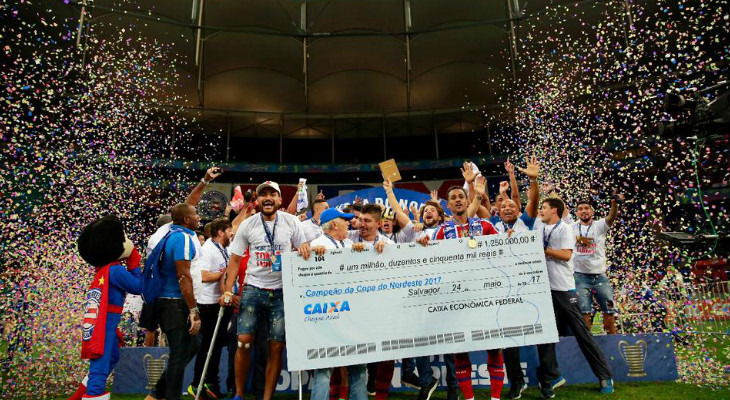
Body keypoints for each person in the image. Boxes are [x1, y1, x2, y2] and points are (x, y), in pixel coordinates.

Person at [218, 181, 311, 400]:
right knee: (243, 341)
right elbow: (234, 259)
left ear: (280, 200)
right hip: (253, 288)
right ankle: (239, 395)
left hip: (281, 292)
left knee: (276, 347)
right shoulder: (248, 224)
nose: (267, 198)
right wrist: (229, 290)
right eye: (263, 195)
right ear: (258, 201)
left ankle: (267, 397)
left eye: (272, 194)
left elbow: (302, 248)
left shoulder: (291, 222)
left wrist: (305, 247)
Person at [490, 156, 565, 400]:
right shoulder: (493, 228)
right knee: (510, 339)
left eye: (512, 206)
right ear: (498, 212)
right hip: (507, 291)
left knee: (544, 336)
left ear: (518, 210)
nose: (508, 208)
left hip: (534, 287)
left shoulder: (526, 222)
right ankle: (516, 383)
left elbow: (532, 201)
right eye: (504, 207)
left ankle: (546, 380)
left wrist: (532, 180)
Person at [431, 179, 505, 400]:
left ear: (467, 200)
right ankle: (469, 398)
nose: (457, 201)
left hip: (486, 295)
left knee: (494, 347)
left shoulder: (484, 226)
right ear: (448, 206)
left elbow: (503, 250)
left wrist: (511, 241)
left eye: (461, 196)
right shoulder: (441, 232)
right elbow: (433, 262)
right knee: (461, 350)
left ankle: (495, 398)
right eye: (453, 198)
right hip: (457, 299)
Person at [535, 198, 614, 395]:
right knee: (546, 335)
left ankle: (605, 376)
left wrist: (543, 250)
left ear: (554, 211)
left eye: (543, 208)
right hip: (546, 289)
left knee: (582, 333)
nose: (540, 211)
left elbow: (566, 255)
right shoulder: (540, 226)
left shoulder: (565, 229)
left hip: (564, 289)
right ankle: (553, 376)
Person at [67, 215, 144, 400]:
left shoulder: (103, 269)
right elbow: (138, 287)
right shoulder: (114, 269)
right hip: (105, 327)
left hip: (106, 323)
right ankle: (93, 395)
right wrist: (134, 264)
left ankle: (77, 397)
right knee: (99, 367)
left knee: (111, 358)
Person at [145, 203, 204, 400]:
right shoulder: (183, 238)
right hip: (174, 303)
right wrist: (193, 310)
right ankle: (168, 396)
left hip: (165, 301)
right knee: (179, 355)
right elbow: (183, 276)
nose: (199, 217)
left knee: (192, 345)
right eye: (195, 214)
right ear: (186, 220)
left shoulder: (169, 234)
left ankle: (157, 394)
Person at [309, 208, 369, 400]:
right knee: (325, 369)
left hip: (352, 313)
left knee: (359, 367)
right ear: (334, 224)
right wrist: (311, 255)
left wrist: (361, 252)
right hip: (328, 314)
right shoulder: (318, 244)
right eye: (345, 220)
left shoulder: (349, 243)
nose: (349, 223)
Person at [188, 217, 234, 399]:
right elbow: (202, 276)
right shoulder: (208, 249)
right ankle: (195, 384)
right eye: (229, 230)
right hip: (207, 305)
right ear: (221, 232)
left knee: (214, 348)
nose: (232, 233)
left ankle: (211, 383)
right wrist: (224, 274)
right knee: (207, 347)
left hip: (219, 302)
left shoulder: (222, 248)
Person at [572, 196, 621, 334]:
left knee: (609, 311)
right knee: (584, 313)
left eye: (586, 208)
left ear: (592, 211)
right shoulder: (571, 227)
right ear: (576, 213)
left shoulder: (599, 225)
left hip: (600, 277)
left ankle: (613, 344)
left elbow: (611, 217)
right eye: (580, 209)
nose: (583, 211)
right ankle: (587, 346)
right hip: (580, 277)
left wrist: (614, 205)